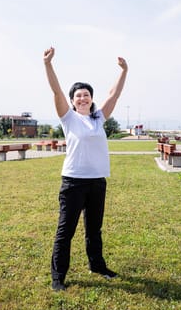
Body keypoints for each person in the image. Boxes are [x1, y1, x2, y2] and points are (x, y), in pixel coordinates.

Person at [43, 47, 128, 291]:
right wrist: (48, 64)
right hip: (73, 182)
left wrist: (124, 71)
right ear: (72, 101)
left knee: (94, 229)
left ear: (91, 99)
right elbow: (55, 90)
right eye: (78, 95)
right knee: (65, 231)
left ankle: (97, 265)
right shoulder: (68, 118)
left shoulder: (98, 118)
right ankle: (58, 277)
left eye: (86, 95)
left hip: (97, 182)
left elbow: (114, 94)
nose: (83, 98)